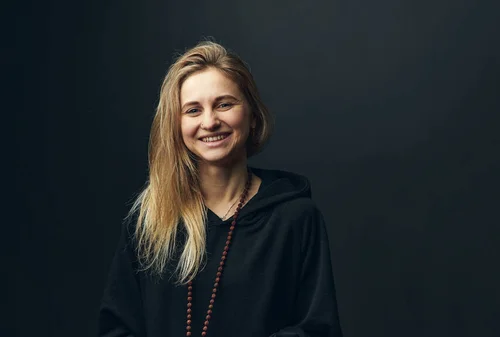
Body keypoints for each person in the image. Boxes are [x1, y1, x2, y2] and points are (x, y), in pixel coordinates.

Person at [97, 40, 343, 337]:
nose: (210, 122)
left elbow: (318, 330)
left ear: (252, 115)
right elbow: (116, 329)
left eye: (224, 104)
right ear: (175, 125)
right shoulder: (149, 221)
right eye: (192, 110)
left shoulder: (296, 217)